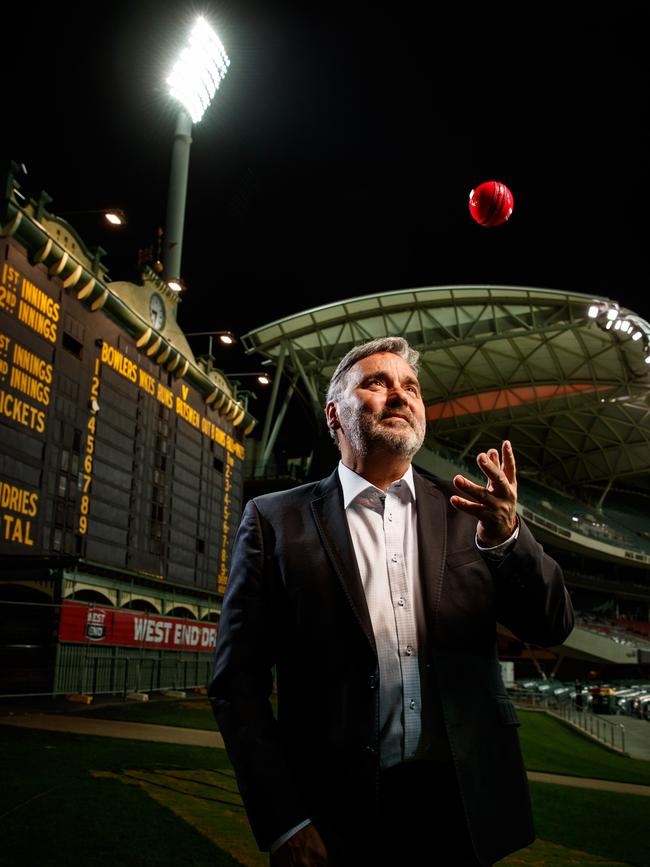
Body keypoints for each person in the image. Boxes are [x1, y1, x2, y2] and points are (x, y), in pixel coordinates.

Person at [209, 337, 574, 867]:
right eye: (378, 383)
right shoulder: (274, 520)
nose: (400, 396)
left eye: (411, 387)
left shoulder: (471, 514)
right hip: (334, 810)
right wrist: (284, 819)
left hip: (460, 807)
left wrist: (509, 538)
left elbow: (553, 625)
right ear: (335, 413)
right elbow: (235, 683)